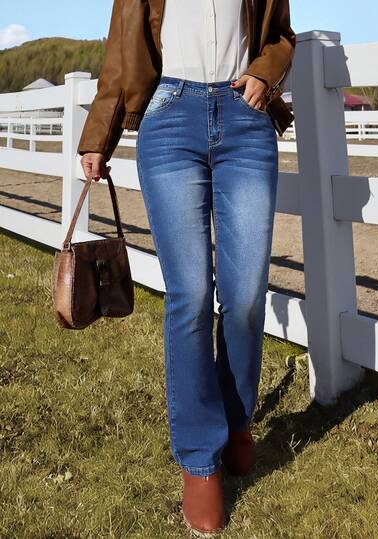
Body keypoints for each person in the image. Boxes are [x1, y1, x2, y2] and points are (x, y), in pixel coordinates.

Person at [77, 0, 296, 535]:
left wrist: (264, 74)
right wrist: (98, 137)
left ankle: (237, 419)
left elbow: (280, 35)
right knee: (191, 295)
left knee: (246, 296)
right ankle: (200, 461)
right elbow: (122, 50)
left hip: (245, 117)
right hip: (170, 117)